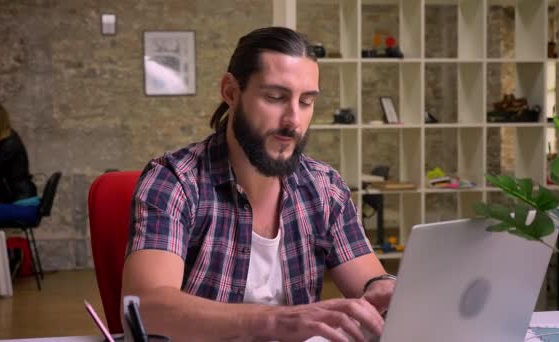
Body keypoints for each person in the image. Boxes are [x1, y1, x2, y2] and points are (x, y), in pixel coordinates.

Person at [122, 26, 396, 342]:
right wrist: (276, 321)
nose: (293, 120)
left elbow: (371, 282)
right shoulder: (175, 181)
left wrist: (384, 288)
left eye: (306, 101)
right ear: (230, 91)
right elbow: (145, 308)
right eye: (275, 97)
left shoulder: (326, 188)